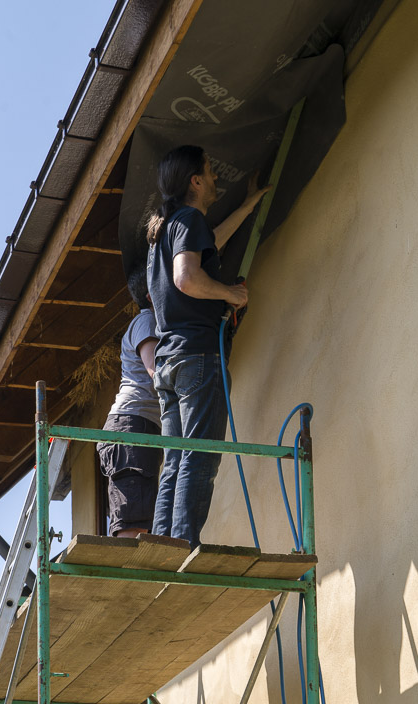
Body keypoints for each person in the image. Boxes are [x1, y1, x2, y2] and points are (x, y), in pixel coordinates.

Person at [146, 145, 269, 548]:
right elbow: (187, 278)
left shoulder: (165, 231)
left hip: (169, 363)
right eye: (211, 172)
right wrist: (231, 295)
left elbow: (209, 242)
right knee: (198, 458)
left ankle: (165, 548)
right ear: (195, 181)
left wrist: (249, 207)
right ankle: (183, 547)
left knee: (176, 462)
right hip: (198, 356)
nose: (217, 178)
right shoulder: (189, 219)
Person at [97, 267, 162, 537]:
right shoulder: (146, 320)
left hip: (136, 426)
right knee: (133, 521)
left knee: (140, 515)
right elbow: (156, 371)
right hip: (132, 426)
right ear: (150, 295)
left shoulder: (152, 322)